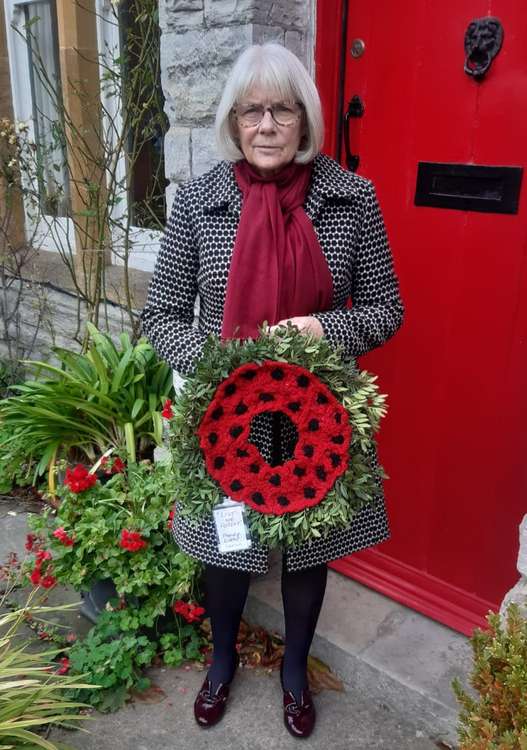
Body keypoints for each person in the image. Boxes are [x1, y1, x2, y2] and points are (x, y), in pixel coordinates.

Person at [140, 42, 403, 739]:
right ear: (233, 122)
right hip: (226, 419)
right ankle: (221, 660)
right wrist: (220, 367)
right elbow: (160, 313)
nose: (265, 125)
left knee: (308, 551)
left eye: (281, 109)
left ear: (304, 118)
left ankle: (294, 673)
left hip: (318, 418)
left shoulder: (352, 199)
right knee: (225, 551)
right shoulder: (198, 202)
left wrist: (323, 328)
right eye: (251, 110)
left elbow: (384, 308)